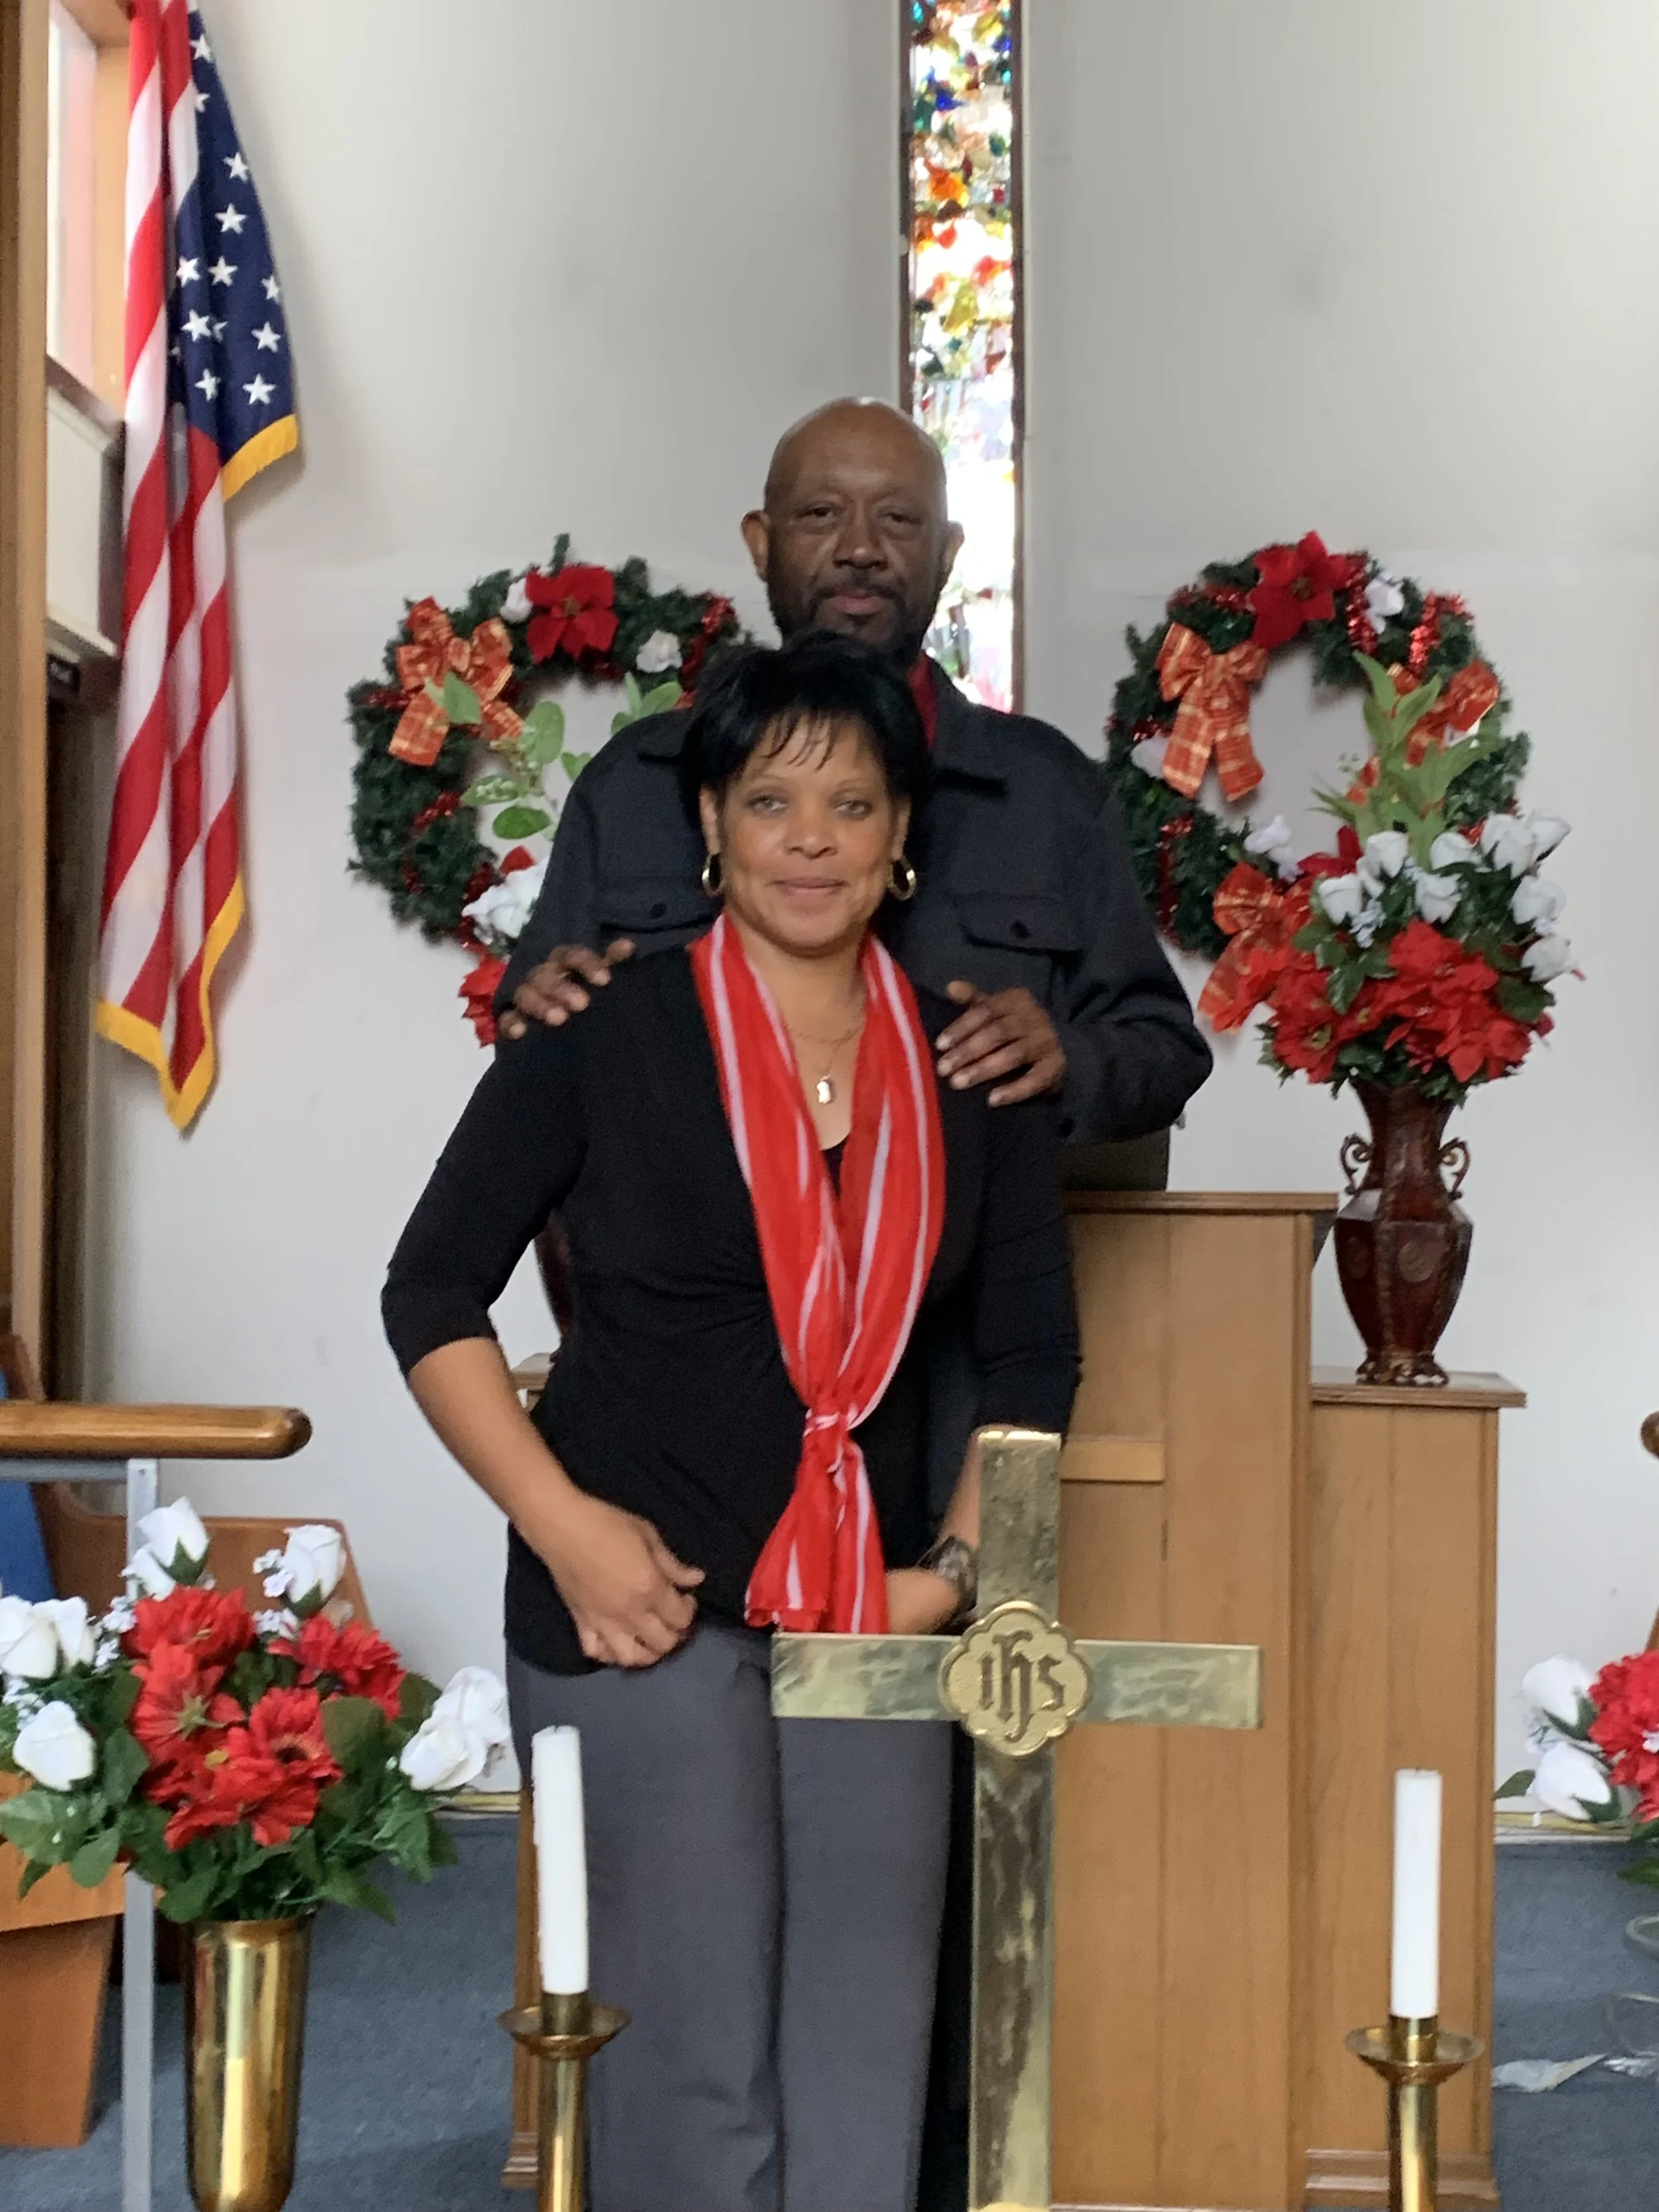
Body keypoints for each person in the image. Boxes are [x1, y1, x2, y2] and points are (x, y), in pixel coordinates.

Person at [385, 636, 1080, 2212]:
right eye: (770, 800)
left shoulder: (972, 1065)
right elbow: (428, 1292)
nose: (810, 839)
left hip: (865, 1611)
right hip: (638, 1603)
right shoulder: (599, 1028)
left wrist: (948, 1577)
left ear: (903, 835)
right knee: (693, 2065)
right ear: (710, 822)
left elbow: (1034, 1356)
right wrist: (565, 1531)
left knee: (862, 2048)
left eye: (853, 803)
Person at [497, 396, 1211, 1159]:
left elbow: (1162, 1049)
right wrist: (540, 1018)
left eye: (898, 520)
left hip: (970, 1225)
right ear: (761, 543)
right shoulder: (636, 782)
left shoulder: (1046, 792)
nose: (861, 549)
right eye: (821, 514)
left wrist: (1068, 1059)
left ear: (947, 552)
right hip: (691, 1227)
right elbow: (528, 1025)